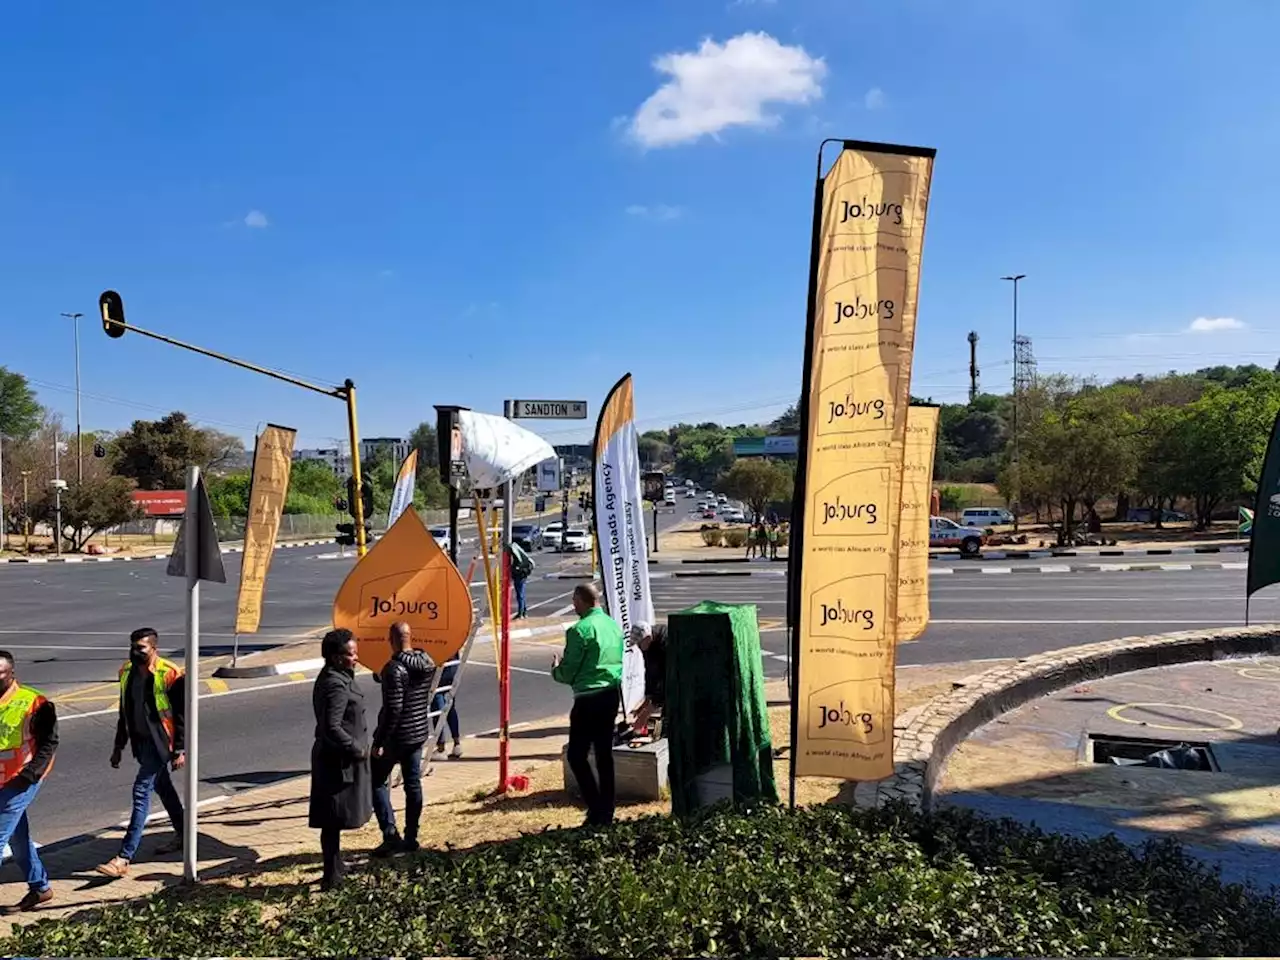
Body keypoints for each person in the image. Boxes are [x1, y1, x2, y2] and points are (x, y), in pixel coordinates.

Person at [97, 628, 186, 879]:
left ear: (153, 648)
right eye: (133, 646)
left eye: (141, 648)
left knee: (141, 792)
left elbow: (181, 715)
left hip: (162, 743)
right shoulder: (126, 671)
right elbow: (124, 712)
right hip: (140, 742)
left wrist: (180, 748)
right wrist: (118, 746)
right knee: (164, 789)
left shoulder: (169, 673)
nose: (135, 651)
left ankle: (124, 857)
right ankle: (184, 834)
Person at [551, 584, 623, 826]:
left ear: (582, 601)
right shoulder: (612, 625)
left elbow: (569, 671)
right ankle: (607, 809)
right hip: (611, 693)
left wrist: (556, 670)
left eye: (574, 601)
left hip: (588, 697)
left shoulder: (579, 630)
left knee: (577, 755)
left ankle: (596, 808)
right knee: (604, 754)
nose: (573, 606)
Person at [309, 628, 372, 891]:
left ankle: (336, 866)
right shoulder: (334, 684)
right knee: (332, 818)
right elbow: (332, 726)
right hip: (337, 761)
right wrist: (355, 747)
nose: (355, 658)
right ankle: (331, 876)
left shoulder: (341, 677)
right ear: (336, 658)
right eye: (350, 654)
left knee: (334, 819)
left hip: (340, 759)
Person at [0, 651, 56, 913]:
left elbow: (49, 744)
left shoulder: (34, 702)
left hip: (19, 780)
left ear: (12, 673)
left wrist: (30, 775)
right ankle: (40, 888)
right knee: (18, 837)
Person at [370, 622, 433, 857]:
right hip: (417, 733)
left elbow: (393, 709)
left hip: (396, 737)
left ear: (392, 640)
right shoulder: (427, 662)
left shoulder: (393, 669)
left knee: (376, 781)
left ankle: (390, 834)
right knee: (413, 784)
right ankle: (412, 837)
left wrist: (380, 742)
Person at [628, 622, 667, 738]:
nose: (638, 648)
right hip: (667, 680)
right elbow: (650, 673)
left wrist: (647, 713)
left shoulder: (666, 643)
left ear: (648, 638)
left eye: (639, 644)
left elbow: (666, 680)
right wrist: (646, 700)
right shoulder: (647, 647)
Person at [433, 658, 463, 760]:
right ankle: (457, 743)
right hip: (453, 668)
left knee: (437, 710)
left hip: (440, 669)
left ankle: (441, 748)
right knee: (450, 706)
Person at [509, 539, 535, 619]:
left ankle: (521, 613)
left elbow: (515, 567)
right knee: (522, 595)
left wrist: (513, 570)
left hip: (519, 577)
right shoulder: (520, 555)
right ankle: (523, 612)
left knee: (520, 595)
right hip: (522, 576)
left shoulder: (517, 559)